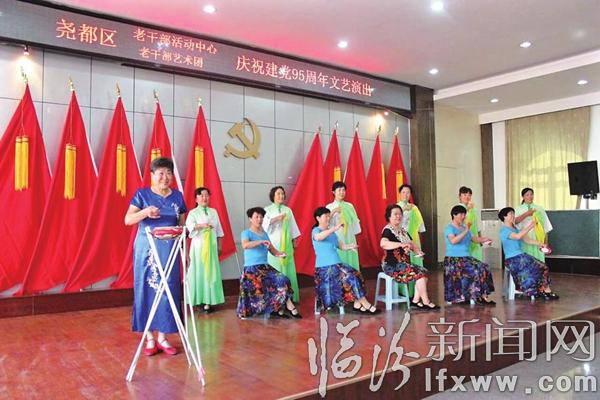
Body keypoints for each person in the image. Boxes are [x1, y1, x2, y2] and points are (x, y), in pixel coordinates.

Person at [125, 157, 186, 356]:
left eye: (168, 173)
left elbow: (182, 226)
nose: (165, 177)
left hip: (170, 251)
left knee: (169, 289)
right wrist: (145, 212)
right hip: (147, 251)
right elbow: (128, 220)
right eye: (161, 173)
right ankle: (149, 338)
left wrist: (184, 252)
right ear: (152, 175)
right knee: (147, 288)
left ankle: (163, 337)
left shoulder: (178, 197)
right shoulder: (142, 195)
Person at [312, 207, 380, 314]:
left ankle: (357, 304)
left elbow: (341, 246)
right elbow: (318, 238)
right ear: (318, 218)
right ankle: (365, 303)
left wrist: (350, 246)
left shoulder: (332, 233)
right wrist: (334, 228)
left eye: (329, 216)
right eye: (326, 216)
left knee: (356, 274)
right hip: (325, 268)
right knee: (351, 276)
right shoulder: (316, 231)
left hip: (336, 265)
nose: (328, 218)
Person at [237, 207, 301, 319]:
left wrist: (281, 254)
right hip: (252, 269)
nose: (259, 219)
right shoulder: (246, 233)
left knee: (283, 279)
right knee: (277, 281)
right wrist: (260, 242)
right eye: (256, 217)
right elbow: (245, 245)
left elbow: (273, 250)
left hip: (264, 267)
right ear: (250, 219)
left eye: (261, 217)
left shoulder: (265, 234)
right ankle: (288, 308)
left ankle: (279, 308)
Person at [380, 204, 439, 310]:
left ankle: (415, 300)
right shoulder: (388, 230)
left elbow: (412, 244)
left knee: (424, 272)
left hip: (403, 264)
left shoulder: (402, 230)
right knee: (420, 274)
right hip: (392, 265)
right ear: (389, 216)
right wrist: (400, 244)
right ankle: (426, 301)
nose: (398, 216)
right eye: (395, 214)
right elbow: (383, 243)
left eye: (400, 214)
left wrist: (418, 251)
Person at [498, 207, 558, 300]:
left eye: (513, 214)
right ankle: (539, 291)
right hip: (512, 259)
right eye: (510, 214)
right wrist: (531, 225)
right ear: (504, 217)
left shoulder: (516, 229)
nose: (513, 216)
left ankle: (545, 290)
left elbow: (527, 240)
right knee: (533, 268)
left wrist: (540, 244)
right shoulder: (504, 230)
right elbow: (518, 237)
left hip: (521, 256)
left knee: (543, 266)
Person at [444, 205, 496, 305]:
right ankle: (476, 296)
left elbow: (474, 239)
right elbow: (453, 241)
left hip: (466, 258)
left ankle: (482, 296)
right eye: (461, 214)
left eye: (464, 214)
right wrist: (466, 230)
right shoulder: (449, 228)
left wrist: (485, 239)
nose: (463, 217)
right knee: (477, 270)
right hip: (454, 259)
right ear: (454, 215)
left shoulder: (464, 227)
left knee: (484, 267)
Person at [185, 187, 224, 313]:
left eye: (207, 195)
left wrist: (219, 246)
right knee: (199, 272)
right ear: (196, 199)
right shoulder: (193, 213)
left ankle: (209, 300)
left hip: (211, 248)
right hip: (198, 249)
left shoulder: (213, 212)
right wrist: (202, 225)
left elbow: (219, 231)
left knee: (211, 272)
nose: (204, 198)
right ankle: (198, 300)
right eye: (201, 195)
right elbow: (189, 227)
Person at [262, 186, 301, 302]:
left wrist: (294, 241)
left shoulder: (288, 210)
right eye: (278, 194)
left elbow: (293, 227)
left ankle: (289, 297)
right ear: (273, 196)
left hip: (287, 245)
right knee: (275, 270)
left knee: (288, 269)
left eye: (282, 193)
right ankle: (275, 299)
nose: (281, 196)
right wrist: (277, 218)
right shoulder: (267, 210)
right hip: (273, 246)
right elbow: (264, 226)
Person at [397, 184, 426, 297]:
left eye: (408, 192)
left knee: (415, 261)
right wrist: (403, 210)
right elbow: (394, 223)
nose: (406, 195)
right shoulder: (396, 207)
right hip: (401, 238)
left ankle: (416, 292)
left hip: (413, 238)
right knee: (404, 261)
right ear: (400, 193)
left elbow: (420, 225)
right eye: (403, 192)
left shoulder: (414, 208)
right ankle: (403, 291)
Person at [326, 181, 361, 270]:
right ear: (333, 192)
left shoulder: (350, 205)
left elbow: (354, 221)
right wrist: (334, 211)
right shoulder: (329, 207)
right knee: (339, 257)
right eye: (339, 190)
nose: (342, 192)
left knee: (350, 255)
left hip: (349, 235)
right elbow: (325, 224)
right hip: (337, 235)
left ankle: (353, 276)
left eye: (343, 190)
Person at [514, 188, 553, 262]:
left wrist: (546, 242)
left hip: (538, 237)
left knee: (538, 262)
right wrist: (527, 214)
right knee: (526, 261)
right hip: (524, 238)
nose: (530, 196)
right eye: (527, 195)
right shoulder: (518, 209)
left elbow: (545, 226)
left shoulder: (539, 208)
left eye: (531, 194)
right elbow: (515, 222)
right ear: (523, 197)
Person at [457, 186, 484, 261]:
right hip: (464, 238)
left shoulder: (474, 209)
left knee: (476, 259)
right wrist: (468, 210)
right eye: (465, 194)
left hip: (474, 237)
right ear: (459, 196)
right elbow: (460, 223)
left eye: (469, 195)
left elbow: (477, 225)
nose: (467, 197)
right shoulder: (458, 208)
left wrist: (480, 237)